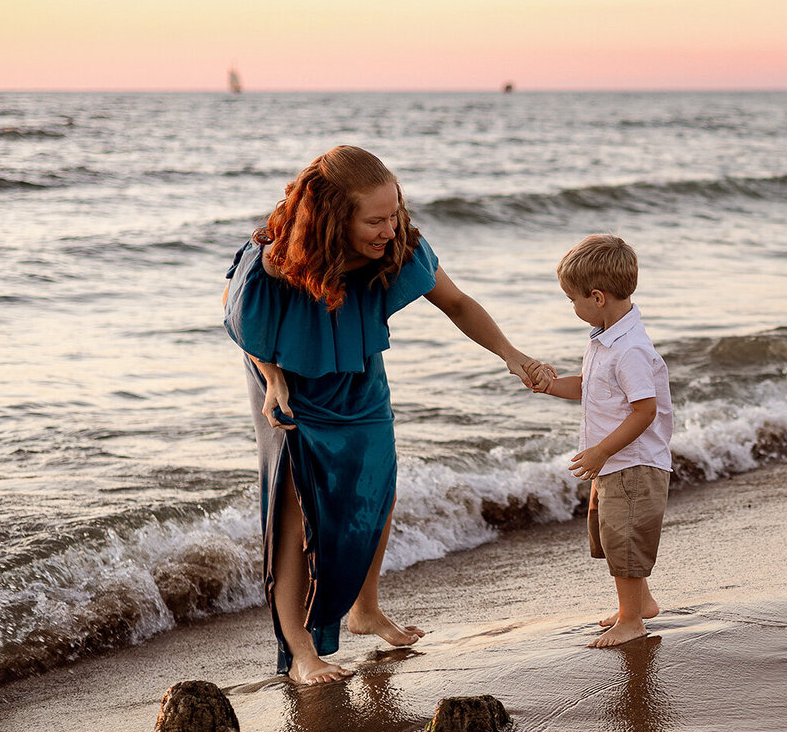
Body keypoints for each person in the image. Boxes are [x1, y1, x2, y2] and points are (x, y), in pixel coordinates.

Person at [224, 146, 550, 685]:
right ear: (333, 219)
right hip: (288, 386)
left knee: (377, 485)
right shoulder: (275, 259)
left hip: (359, 379)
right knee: (293, 509)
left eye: (394, 212)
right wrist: (271, 375)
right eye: (374, 219)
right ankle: (301, 649)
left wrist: (512, 355)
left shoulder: (399, 246)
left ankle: (364, 608)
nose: (389, 228)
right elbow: (239, 316)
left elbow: (458, 302)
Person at [533, 235, 673, 648]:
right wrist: (549, 385)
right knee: (612, 534)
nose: (571, 306)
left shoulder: (629, 348)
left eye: (571, 299)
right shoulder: (605, 337)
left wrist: (601, 451)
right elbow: (591, 387)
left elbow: (644, 411)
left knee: (627, 537)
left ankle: (632, 620)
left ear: (596, 297)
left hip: (633, 462)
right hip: (615, 463)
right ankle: (640, 602)